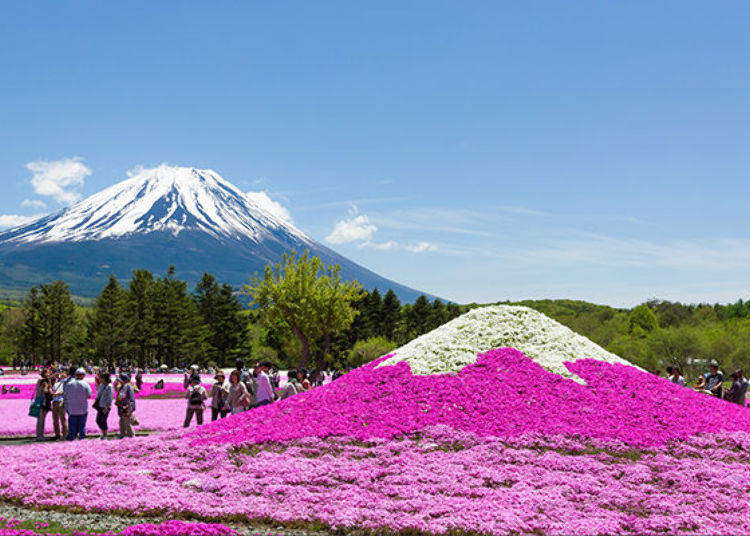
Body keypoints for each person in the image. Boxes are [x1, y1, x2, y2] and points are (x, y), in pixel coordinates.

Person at [65, 368, 92, 441]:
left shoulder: (69, 384)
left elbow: (65, 394)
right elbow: (89, 395)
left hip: (72, 408)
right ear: (83, 375)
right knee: (82, 425)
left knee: (72, 425)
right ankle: (81, 439)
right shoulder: (85, 384)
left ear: (76, 375)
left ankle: (71, 439)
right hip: (82, 408)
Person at [33, 369, 53, 442]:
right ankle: (40, 436)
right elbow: (45, 391)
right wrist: (50, 388)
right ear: (45, 374)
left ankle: (39, 435)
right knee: (41, 420)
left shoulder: (39, 380)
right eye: (48, 373)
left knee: (40, 420)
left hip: (38, 401)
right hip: (43, 403)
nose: (49, 374)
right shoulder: (44, 382)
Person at [115, 373, 136, 438]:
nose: (118, 381)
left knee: (127, 423)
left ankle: (131, 436)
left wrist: (130, 408)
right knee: (122, 422)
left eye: (120, 380)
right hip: (123, 407)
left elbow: (130, 398)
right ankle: (122, 435)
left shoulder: (128, 386)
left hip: (127, 407)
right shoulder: (123, 386)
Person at [93, 372, 114, 439]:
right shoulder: (102, 385)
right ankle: (103, 433)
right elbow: (99, 393)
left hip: (105, 406)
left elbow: (110, 398)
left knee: (103, 420)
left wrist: (107, 407)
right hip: (100, 405)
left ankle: (105, 435)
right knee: (98, 420)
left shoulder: (109, 387)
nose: (99, 379)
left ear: (104, 378)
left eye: (100, 378)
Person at [51, 370, 69, 440]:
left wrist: (57, 394)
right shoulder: (55, 383)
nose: (61, 374)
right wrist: (54, 375)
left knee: (63, 419)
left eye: (63, 373)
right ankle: (57, 435)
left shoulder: (66, 382)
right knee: (55, 420)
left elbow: (65, 391)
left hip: (61, 401)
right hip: (54, 401)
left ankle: (65, 434)